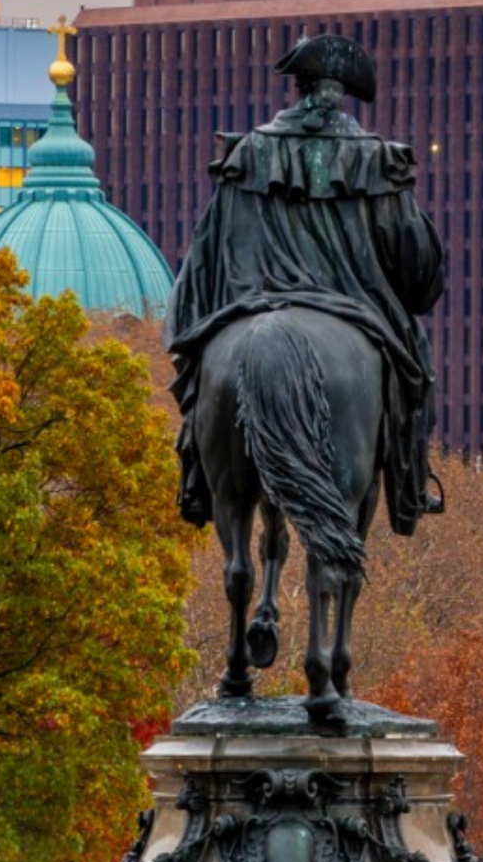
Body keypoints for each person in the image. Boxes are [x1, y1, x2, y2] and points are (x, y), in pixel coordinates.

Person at [167, 33, 445, 540]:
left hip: (250, 299)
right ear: (344, 95)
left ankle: (195, 477)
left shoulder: (247, 152)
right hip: (354, 306)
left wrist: (194, 333)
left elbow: (203, 256)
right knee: (417, 374)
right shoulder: (376, 160)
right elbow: (416, 266)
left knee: (209, 369)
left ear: (298, 89)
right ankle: (410, 487)